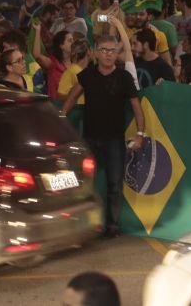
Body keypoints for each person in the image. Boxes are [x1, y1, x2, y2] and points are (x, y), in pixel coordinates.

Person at [60, 35, 146, 238]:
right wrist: (60, 119)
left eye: (113, 50)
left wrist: (140, 134)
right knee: (84, 183)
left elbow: (137, 107)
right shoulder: (87, 75)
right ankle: (83, 224)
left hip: (115, 139)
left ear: (118, 53)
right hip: (89, 138)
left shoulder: (124, 77)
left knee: (114, 185)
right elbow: (71, 97)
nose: (108, 54)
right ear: (96, 52)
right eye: (104, 50)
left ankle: (112, 226)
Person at [33, 28, 73, 100]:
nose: (73, 43)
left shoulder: (76, 63)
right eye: (70, 40)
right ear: (61, 46)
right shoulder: (53, 63)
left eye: (73, 40)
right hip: (55, 105)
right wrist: (38, 31)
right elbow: (37, 55)